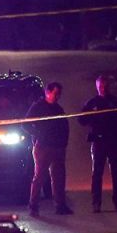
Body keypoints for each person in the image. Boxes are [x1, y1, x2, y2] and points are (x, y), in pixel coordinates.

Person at [78, 74, 117, 213]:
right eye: (100, 86)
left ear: (109, 86)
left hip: (113, 141)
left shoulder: (116, 102)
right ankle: (96, 203)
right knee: (97, 174)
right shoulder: (92, 103)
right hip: (98, 142)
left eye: (105, 86)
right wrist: (89, 115)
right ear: (97, 87)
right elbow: (81, 121)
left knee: (116, 173)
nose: (103, 89)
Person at [25, 81, 72, 216]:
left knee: (59, 177)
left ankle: (60, 206)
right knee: (39, 177)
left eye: (59, 94)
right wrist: (38, 134)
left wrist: (64, 143)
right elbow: (25, 124)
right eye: (55, 93)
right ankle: (33, 206)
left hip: (58, 147)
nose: (57, 97)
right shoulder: (38, 107)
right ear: (48, 92)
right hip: (43, 147)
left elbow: (64, 126)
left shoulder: (58, 109)